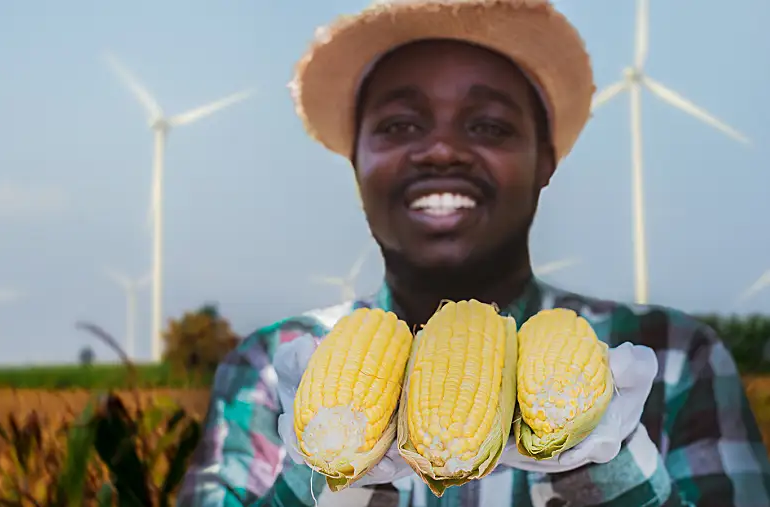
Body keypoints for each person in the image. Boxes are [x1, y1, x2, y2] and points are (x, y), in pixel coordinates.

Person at [177, 1, 770, 505]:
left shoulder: (677, 358)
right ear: (355, 161)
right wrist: (319, 486)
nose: (440, 150)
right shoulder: (267, 367)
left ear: (546, 162)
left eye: (488, 126)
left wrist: (608, 475)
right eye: (401, 125)